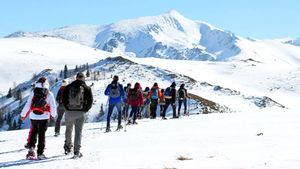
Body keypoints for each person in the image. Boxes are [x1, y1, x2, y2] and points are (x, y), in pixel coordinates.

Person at [20, 77, 57, 160]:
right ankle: (40, 153)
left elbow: (28, 104)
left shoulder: (34, 92)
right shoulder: (49, 93)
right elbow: (53, 106)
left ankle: (31, 152)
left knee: (33, 133)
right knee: (41, 135)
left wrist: (23, 114)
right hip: (44, 116)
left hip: (33, 116)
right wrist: (53, 115)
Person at [62, 73, 93, 158]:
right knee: (78, 132)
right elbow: (90, 101)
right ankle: (77, 151)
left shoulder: (68, 87)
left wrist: (67, 109)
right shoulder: (87, 88)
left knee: (68, 129)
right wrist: (85, 110)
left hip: (69, 112)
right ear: (83, 78)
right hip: (80, 112)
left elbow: (63, 100)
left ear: (76, 78)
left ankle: (68, 146)